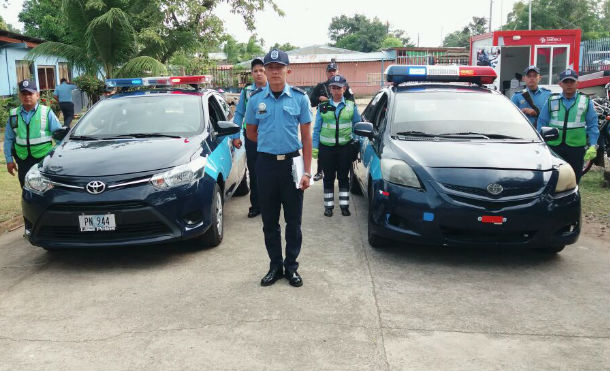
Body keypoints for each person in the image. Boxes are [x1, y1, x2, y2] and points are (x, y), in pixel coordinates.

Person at [245, 49, 312, 287]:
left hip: (292, 165)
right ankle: (275, 266)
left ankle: (291, 267)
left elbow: (306, 138)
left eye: (278, 67)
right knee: (270, 221)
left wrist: (306, 171)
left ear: (287, 70)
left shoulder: (299, 98)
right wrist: (269, 145)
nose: (274, 72)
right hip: (265, 165)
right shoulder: (255, 99)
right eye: (270, 67)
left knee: (294, 221)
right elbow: (251, 132)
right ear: (265, 70)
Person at [538, 69, 599, 183]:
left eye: (572, 81)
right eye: (566, 82)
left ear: (577, 83)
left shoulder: (585, 101)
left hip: (576, 148)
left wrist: (593, 145)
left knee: (574, 179)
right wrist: (540, 143)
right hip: (554, 147)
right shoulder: (552, 100)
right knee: (553, 179)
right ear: (560, 84)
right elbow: (542, 122)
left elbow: (593, 125)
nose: (569, 84)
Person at [312, 75, 361, 217]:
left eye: (339, 88)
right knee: (328, 178)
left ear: (344, 89)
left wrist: (356, 142)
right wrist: (315, 147)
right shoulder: (323, 107)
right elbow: (317, 129)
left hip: (345, 148)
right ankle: (328, 207)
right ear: (330, 89)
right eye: (333, 87)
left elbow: (357, 126)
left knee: (343, 177)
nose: (336, 90)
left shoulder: (351, 106)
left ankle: (344, 206)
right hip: (326, 148)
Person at [4, 80, 63, 187]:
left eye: (30, 93)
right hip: (23, 160)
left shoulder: (46, 112)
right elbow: (8, 139)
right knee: (26, 188)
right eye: (24, 94)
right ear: (20, 96)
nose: (27, 97)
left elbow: (60, 137)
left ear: (37, 95)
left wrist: (56, 157)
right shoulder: (14, 114)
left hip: (44, 159)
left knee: (46, 189)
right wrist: (9, 160)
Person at [231, 57, 268, 218]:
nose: (259, 74)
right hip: (252, 137)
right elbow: (239, 114)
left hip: (270, 136)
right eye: (255, 71)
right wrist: (235, 135)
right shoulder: (247, 92)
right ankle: (256, 205)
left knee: (271, 171)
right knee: (254, 171)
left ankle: (270, 204)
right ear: (252, 73)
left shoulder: (273, 89)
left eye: (261, 70)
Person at [309, 60, 354, 182]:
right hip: (324, 117)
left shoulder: (345, 86)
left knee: (342, 165)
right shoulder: (320, 86)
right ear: (326, 73)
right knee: (323, 145)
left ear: (337, 71)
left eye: (334, 71)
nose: (332, 73)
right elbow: (311, 100)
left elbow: (351, 101)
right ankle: (319, 171)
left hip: (341, 118)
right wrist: (320, 98)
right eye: (330, 71)